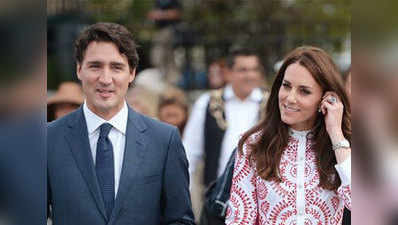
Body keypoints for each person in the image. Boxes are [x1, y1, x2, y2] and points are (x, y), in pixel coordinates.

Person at [47, 22, 195, 225]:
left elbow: (180, 219)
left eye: (116, 67)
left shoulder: (164, 140)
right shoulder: (48, 139)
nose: (105, 79)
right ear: (79, 69)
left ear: (132, 73)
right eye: (95, 66)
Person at [226, 46, 351, 225]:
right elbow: (239, 220)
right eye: (286, 86)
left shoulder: (344, 146)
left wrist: (336, 134)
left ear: (326, 98)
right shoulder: (253, 145)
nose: (290, 98)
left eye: (304, 91)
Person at [183, 48, 269, 188]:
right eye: (243, 70)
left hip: (262, 192)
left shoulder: (272, 103)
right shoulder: (207, 103)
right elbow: (190, 152)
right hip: (218, 193)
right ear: (228, 73)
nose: (250, 75)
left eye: (254, 70)